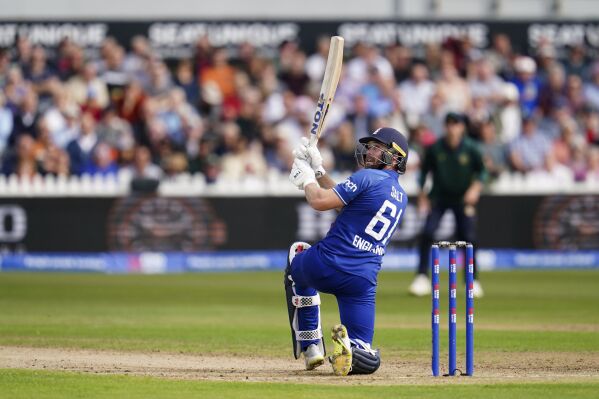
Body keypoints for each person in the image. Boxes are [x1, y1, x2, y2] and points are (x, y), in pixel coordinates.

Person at [285, 127, 409, 376]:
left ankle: (311, 346)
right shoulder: (400, 196)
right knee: (364, 352)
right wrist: (318, 170)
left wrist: (306, 177)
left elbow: (320, 201)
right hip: (362, 282)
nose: (370, 151)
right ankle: (352, 352)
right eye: (370, 146)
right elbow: (347, 207)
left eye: (377, 147)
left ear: (395, 158)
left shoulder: (366, 177)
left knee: (297, 254)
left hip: (327, 264)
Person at [409, 112, 486, 298]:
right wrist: (422, 195)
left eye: (456, 124)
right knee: (427, 233)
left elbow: (482, 172)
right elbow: (423, 173)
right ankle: (421, 277)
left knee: (469, 238)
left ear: (462, 127)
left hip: (462, 199)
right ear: (445, 127)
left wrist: (475, 189)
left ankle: (472, 280)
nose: (452, 128)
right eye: (449, 124)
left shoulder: (471, 148)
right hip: (439, 197)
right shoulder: (436, 148)